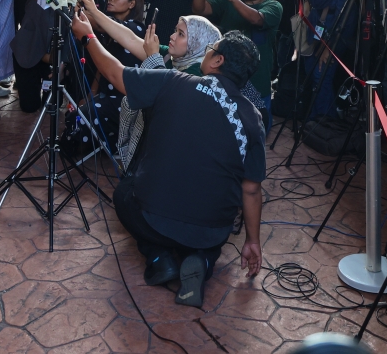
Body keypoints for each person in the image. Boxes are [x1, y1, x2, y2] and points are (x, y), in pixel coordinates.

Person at [72, 22, 265, 309]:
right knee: (216, 231)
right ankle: (202, 259)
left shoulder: (173, 81)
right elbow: (251, 190)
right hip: (210, 229)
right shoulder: (253, 119)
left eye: (210, 50)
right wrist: (252, 240)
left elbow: (114, 72)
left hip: (154, 220)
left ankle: (159, 257)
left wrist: (87, 36)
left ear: (217, 60)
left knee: (125, 194)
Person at [249, 0, 358, 118]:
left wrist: (327, 48)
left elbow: (342, 19)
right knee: (310, 70)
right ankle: (314, 115)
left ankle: (325, 120)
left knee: (321, 74)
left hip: (336, 31)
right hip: (314, 23)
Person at [193, 0, 282, 131]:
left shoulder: (274, 6)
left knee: (258, 129)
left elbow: (256, 18)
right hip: (227, 80)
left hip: (257, 83)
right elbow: (200, 10)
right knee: (225, 129)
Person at [78, 0, 145, 146]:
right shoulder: (110, 29)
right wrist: (91, 94)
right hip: (107, 95)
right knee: (77, 114)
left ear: (132, 3)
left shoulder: (136, 28)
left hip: (127, 101)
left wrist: (87, 10)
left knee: (81, 119)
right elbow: (104, 65)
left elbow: (101, 25)